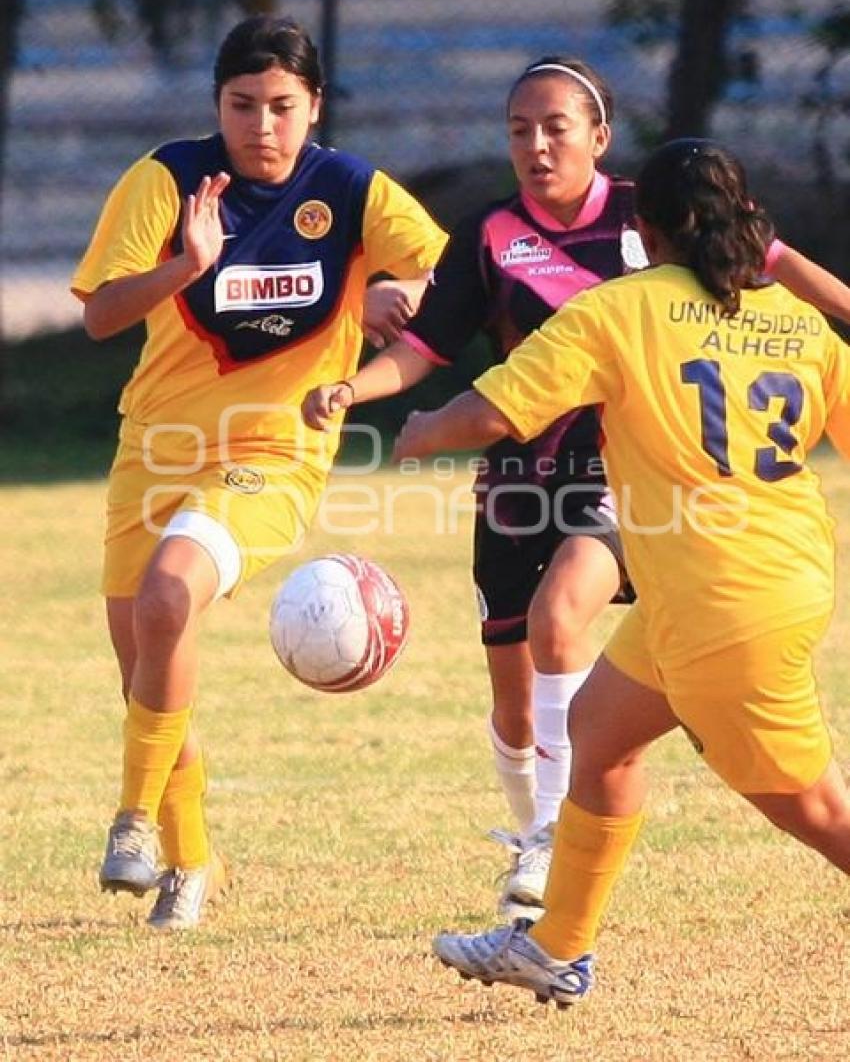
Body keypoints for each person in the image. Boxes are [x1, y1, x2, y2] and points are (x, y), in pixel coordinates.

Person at [302, 57, 850, 921]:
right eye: (519, 129)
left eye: (555, 126)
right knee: (534, 707)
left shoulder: (654, 229)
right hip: (525, 485)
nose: (535, 144)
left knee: (564, 618)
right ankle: (542, 878)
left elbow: (763, 287)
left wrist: (423, 433)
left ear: (600, 137)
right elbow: (431, 346)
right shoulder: (488, 233)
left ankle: (556, 842)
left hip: (627, 484)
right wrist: (355, 388)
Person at [70, 15, 446, 931]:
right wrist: (185, 267)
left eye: (283, 106)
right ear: (218, 106)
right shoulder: (166, 179)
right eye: (243, 106)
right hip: (154, 449)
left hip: (275, 451)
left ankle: (129, 823)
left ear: (314, 106)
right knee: (146, 667)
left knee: (169, 596)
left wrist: (401, 293)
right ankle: (193, 863)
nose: (262, 126)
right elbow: (100, 316)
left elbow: (452, 271)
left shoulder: (351, 190)